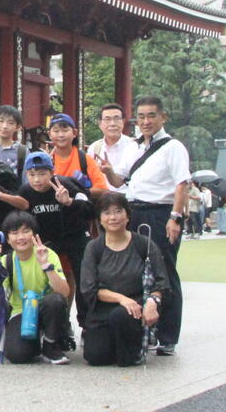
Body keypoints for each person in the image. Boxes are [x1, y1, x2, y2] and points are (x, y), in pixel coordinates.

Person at [105, 95, 190, 357]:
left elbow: (182, 184)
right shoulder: (136, 147)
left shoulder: (173, 147)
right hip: (136, 212)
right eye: (140, 117)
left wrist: (175, 217)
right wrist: (108, 172)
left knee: (164, 272)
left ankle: (167, 335)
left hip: (160, 213)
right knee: (137, 271)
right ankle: (146, 327)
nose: (145, 121)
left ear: (163, 117)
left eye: (151, 115)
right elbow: (122, 182)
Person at [79, 192, 168, 367]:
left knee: (122, 321)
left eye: (118, 211)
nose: (113, 217)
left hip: (135, 308)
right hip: (104, 308)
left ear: (128, 215)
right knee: (95, 357)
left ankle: (132, 349)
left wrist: (152, 301)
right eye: (106, 213)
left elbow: (162, 280)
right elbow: (89, 288)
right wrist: (121, 299)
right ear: (100, 219)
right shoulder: (94, 247)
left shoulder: (143, 243)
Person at [17, 150, 92, 334]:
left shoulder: (66, 185)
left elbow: (91, 210)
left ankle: (87, 324)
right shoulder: (25, 191)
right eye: (32, 174)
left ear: (52, 172)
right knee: (44, 278)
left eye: (42, 174)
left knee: (85, 280)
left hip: (75, 236)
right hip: (47, 240)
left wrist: (70, 202)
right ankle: (53, 323)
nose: (37, 180)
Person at [0, 210, 71, 364]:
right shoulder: (6, 261)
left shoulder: (48, 254)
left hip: (46, 310)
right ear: (7, 238)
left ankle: (50, 344)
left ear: (34, 235)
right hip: (21, 312)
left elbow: (64, 292)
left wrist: (46, 265)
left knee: (55, 300)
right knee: (17, 355)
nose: (21, 237)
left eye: (26, 231)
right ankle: (32, 344)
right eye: (15, 233)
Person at [48, 114, 108, 195]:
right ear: (49, 134)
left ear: (74, 133)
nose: (61, 135)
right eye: (56, 131)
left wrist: (78, 192)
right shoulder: (46, 159)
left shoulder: (85, 159)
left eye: (65, 130)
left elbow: (103, 189)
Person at [89, 104, 139, 193]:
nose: (112, 123)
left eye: (117, 119)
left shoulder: (135, 146)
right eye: (107, 119)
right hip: (101, 199)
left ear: (123, 121)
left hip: (127, 200)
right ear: (100, 124)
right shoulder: (94, 148)